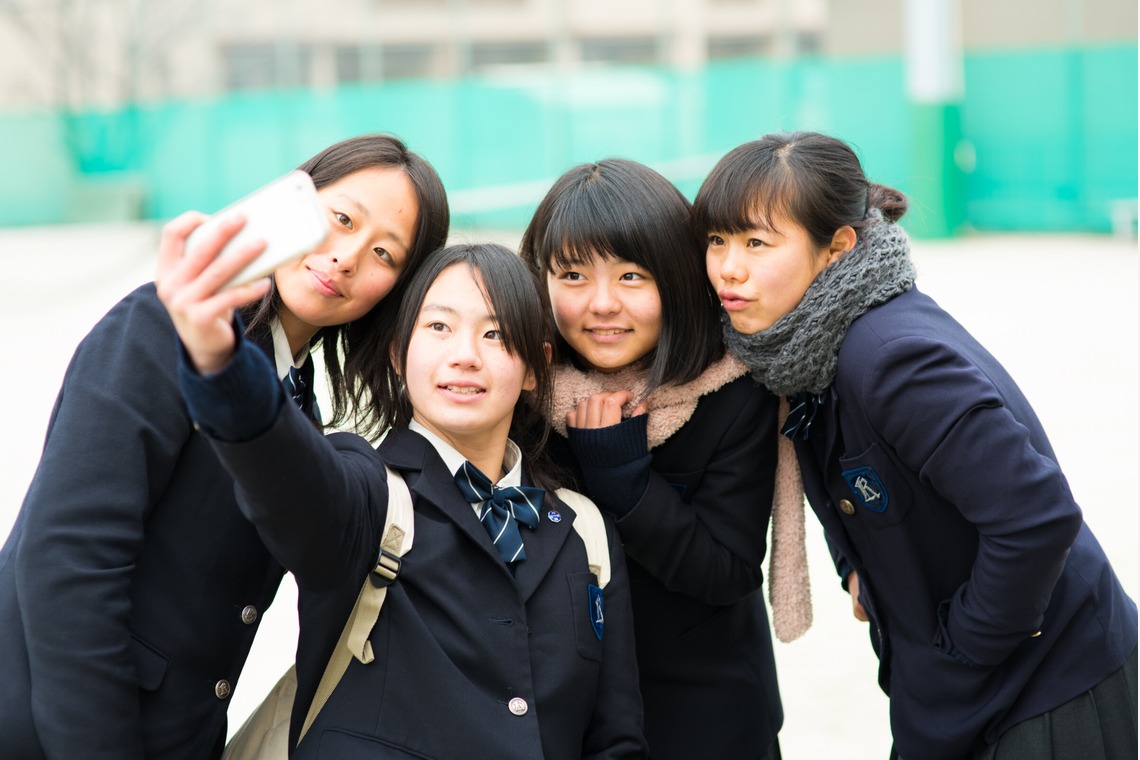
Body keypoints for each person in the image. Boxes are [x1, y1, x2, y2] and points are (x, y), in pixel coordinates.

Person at [0, 133, 450, 760]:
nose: (345, 256)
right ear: (293, 203)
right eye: (340, 218)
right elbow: (67, 560)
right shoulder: (163, 324)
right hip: (61, 729)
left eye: (383, 252)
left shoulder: (299, 406)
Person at [694, 130, 1138, 760]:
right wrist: (861, 571)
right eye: (717, 240)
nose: (727, 267)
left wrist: (962, 648)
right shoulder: (804, 348)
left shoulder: (889, 358)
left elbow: (1038, 517)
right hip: (967, 697)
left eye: (757, 242)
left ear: (835, 249)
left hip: (1046, 692)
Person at [158, 240, 647, 759]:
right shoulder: (365, 486)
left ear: (534, 367)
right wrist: (224, 367)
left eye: (496, 334)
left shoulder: (583, 530)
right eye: (439, 327)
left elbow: (615, 740)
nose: (465, 355)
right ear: (398, 352)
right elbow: (286, 481)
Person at [519, 158, 807, 760]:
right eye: (572, 275)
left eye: (631, 277)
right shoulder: (522, 392)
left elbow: (725, 569)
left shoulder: (730, 390)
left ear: (676, 278)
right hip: (565, 713)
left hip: (704, 715)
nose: (601, 304)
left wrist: (623, 481)